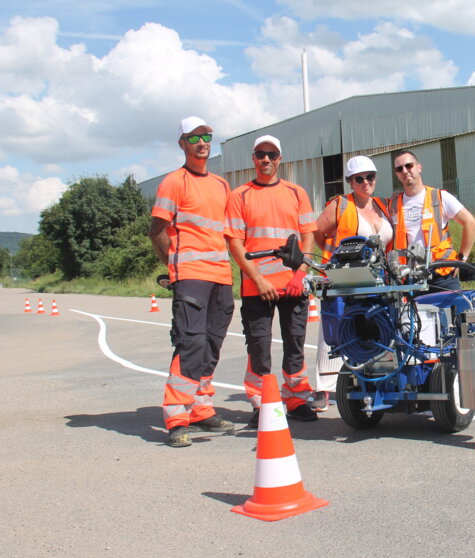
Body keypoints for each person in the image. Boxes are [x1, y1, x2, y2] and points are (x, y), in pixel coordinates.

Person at [148, 116, 235, 448]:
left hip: (221, 277)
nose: (202, 142)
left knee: (211, 345)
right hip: (190, 278)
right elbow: (156, 231)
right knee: (190, 344)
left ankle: (201, 409)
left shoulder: (220, 185)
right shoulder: (174, 182)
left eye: (207, 136)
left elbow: (228, 233)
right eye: (194, 137)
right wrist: (174, 268)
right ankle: (176, 417)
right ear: (182, 143)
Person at [225, 135, 318, 425]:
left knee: (295, 345)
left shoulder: (295, 192)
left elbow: (308, 236)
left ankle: (297, 399)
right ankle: (261, 404)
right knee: (258, 347)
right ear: (253, 158)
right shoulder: (239, 195)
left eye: (272, 155)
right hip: (257, 287)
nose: (266, 159)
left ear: (280, 159)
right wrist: (259, 280)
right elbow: (235, 245)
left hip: (293, 285)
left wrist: (301, 273)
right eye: (261, 154)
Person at [312, 155, 394, 409]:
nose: (366, 182)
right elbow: (317, 232)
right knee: (338, 329)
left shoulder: (383, 205)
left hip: (380, 280)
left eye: (370, 177)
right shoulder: (341, 205)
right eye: (359, 179)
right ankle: (323, 388)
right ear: (350, 181)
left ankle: (376, 377)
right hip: (348, 280)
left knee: (379, 329)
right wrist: (334, 258)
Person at [389, 150, 475, 291]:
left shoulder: (440, 197)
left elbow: (470, 223)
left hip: (442, 275)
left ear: (419, 167)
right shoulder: (393, 204)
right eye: (400, 169)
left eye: (409, 165)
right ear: (397, 174)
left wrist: (462, 258)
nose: (405, 171)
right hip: (411, 277)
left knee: (452, 312)